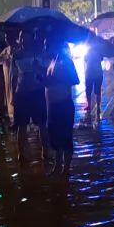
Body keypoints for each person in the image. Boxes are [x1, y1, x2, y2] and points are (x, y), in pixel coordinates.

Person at [9, 29, 48, 162]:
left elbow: (46, 72)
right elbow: (13, 77)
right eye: (22, 38)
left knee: (42, 124)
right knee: (21, 125)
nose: (24, 41)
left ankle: (46, 152)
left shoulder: (39, 54)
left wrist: (39, 68)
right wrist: (12, 96)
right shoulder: (16, 55)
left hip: (37, 93)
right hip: (22, 94)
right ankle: (22, 154)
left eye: (27, 38)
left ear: (32, 39)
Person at [45, 38, 80, 176]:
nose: (46, 47)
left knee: (65, 137)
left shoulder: (67, 62)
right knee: (54, 136)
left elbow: (75, 80)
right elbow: (49, 82)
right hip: (52, 105)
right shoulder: (52, 61)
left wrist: (56, 79)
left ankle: (65, 168)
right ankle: (58, 165)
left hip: (64, 104)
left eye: (48, 45)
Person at [0, 30, 18, 122]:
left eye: (9, 37)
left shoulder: (19, 48)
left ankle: (18, 119)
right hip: (8, 78)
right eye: (6, 38)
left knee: (17, 97)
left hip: (18, 79)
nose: (7, 39)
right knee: (10, 96)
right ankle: (13, 119)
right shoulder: (6, 50)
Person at [83, 42, 105, 123]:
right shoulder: (98, 51)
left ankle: (90, 105)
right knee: (97, 91)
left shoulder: (88, 51)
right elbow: (101, 59)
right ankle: (97, 107)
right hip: (97, 73)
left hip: (90, 73)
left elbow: (85, 60)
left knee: (89, 91)